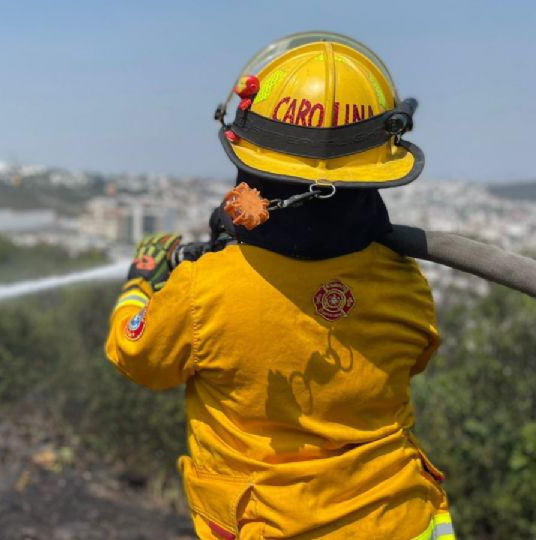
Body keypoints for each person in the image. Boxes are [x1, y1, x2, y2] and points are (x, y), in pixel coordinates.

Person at [105, 33, 454, 539]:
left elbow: (137, 356)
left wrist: (140, 285)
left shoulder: (203, 289)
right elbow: (415, 357)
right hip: (405, 524)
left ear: (250, 164)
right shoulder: (405, 284)